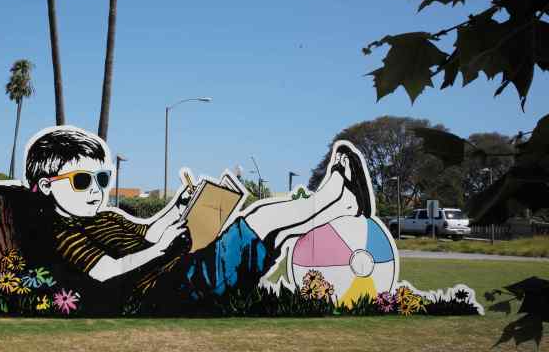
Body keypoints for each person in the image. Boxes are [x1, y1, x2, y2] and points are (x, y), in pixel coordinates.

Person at [22, 126, 373, 315]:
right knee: (262, 220)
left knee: (275, 238)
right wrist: (160, 251)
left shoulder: (108, 218)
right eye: (81, 181)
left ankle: (341, 204)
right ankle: (335, 195)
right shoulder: (64, 234)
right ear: (46, 187)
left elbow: (150, 233)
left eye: (101, 179)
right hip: (176, 286)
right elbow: (106, 270)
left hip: (185, 269)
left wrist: (179, 208)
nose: (95, 190)